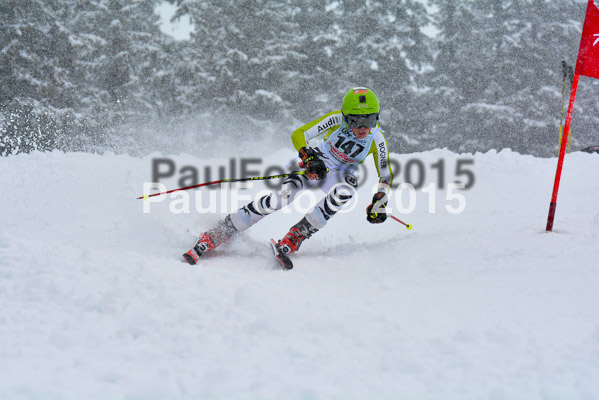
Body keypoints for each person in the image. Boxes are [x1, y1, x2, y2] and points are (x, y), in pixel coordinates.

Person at [183, 87, 394, 268]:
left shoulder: (377, 138)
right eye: (357, 121)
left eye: (371, 119)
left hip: (340, 174)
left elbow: (385, 176)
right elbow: (299, 134)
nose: (364, 128)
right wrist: (309, 156)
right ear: (347, 117)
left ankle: (298, 234)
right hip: (316, 163)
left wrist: (380, 201)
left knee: (348, 189)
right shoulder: (336, 119)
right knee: (280, 199)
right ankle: (222, 230)